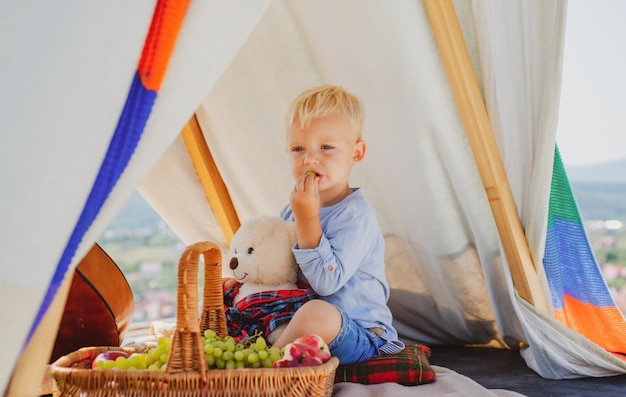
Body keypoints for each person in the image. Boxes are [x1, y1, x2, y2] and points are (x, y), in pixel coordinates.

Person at [272, 84, 405, 364]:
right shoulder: (290, 209)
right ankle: (276, 356)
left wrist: (307, 217)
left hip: (359, 334)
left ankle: (262, 367)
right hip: (302, 324)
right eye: (298, 148)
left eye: (326, 147)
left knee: (317, 313)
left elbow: (326, 283)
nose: (309, 158)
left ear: (356, 153)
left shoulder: (356, 215)